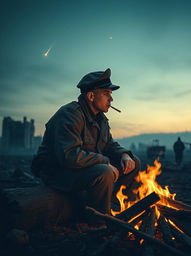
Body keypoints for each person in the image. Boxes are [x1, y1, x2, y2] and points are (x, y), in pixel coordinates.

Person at [31, 68, 140, 219]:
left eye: (111, 94)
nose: (111, 99)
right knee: (104, 171)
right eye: (106, 93)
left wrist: (124, 155)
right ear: (90, 96)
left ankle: (116, 206)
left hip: (81, 169)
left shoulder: (100, 118)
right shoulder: (69, 115)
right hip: (58, 172)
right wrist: (105, 161)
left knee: (133, 162)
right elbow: (69, 156)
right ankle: (99, 219)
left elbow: (108, 144)